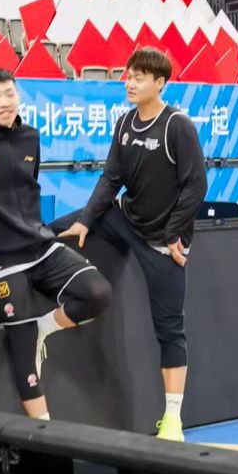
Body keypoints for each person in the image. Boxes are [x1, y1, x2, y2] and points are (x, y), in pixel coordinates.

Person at [60, 48, 207, 441]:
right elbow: (111, 178)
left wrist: (173, 234)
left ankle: (172, 421)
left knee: (170, 329)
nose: (130, 83)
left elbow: (196, 186)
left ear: (160, 84)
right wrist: (85, 221)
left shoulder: (177, 126)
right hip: (126, 220)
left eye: (139, 77)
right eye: (129, 75)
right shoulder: (125, 122)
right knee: (61, 228)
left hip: (164, 243)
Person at [0, 68, 112, 420]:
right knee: (24, 354)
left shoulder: (31, 136)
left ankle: (45, 327)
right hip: (0, 261)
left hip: (41, 246)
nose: (4, 102)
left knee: (97, 293)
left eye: (9, 94)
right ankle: (45, 434)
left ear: (18, 95)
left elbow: (28, 185)